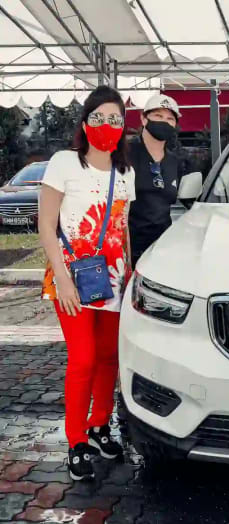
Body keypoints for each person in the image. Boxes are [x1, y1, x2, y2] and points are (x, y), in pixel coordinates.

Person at [38, 86, 136, 481]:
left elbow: (122, 227)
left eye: (115, 119)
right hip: (72, 277)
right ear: (85, 123)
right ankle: (76, 440)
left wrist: (129, 273)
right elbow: (45, 224)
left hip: (112, 279)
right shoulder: (64, 163)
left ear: (122, 127)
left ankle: (99, 425)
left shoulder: (125, 172)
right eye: (99, 117)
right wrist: (61, 278)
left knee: (108, 358)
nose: (106, 125)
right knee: (82, 359)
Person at [128, 93, 182, 269]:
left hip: (162, 248)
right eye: (158, 116)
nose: (164, 122)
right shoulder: (125, 154)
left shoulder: (174, 161)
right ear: (144, 119)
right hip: (129, 247)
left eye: (170, 118)